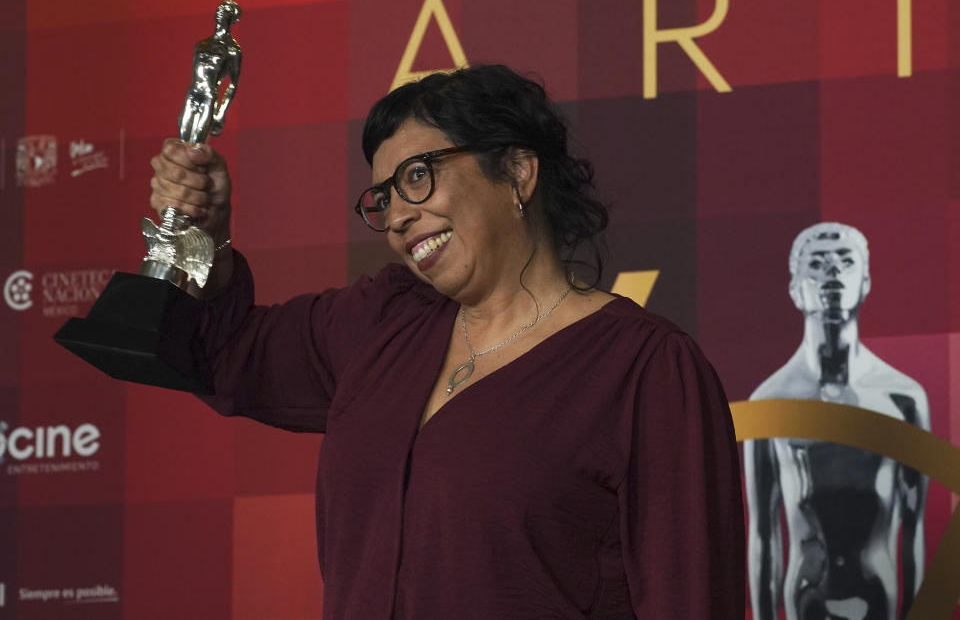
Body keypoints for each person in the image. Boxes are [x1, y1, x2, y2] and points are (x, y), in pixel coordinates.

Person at [149, 64, 744, 619]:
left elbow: (691, 598)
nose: (399, 216)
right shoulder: (385, 320)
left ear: (517, 172)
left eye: (417, 176)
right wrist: (206, 238)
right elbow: (227, 355)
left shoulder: (645, 370)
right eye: (382, 199)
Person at [744, 222, 929, 620]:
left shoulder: (903, 400)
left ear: (864, 282)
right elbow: (763, 536)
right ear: (795, 288)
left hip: (879, 598)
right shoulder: (770, 402)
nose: (832, 272)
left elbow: (916, 527)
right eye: (818, 262)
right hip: (805, 598)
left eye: (845, 261)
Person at [178, 0, 242, 144]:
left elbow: (233, 85)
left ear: (232, 18)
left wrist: (220, 112)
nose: (221, 13)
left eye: (225, 11)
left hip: (208, 96)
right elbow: (193, 73)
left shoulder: (232, 50)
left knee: (196, 144)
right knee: (183, 138)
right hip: (193, 92)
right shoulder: (201, 45)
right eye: (220, 10)